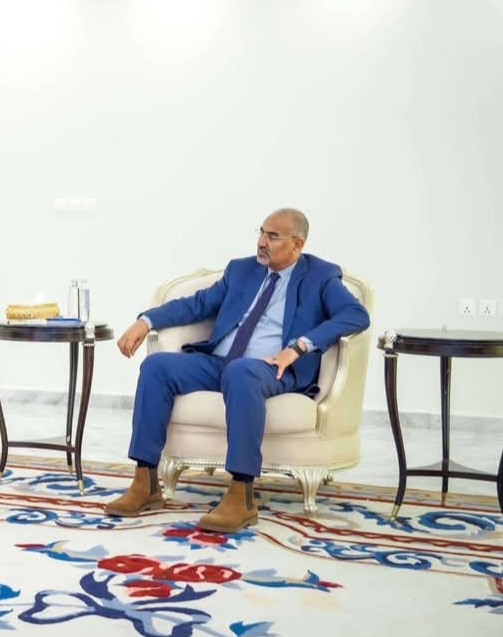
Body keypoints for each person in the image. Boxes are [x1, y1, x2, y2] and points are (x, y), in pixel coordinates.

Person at [104, 208, 370, 532]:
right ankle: (145, 482)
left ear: (297, 244)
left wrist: (299, 347)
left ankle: (241, 495)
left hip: (271, 368)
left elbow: (355, 315)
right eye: (261, 232)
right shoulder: (241, 270)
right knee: (156, 366)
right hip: (220, 362)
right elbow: (196, 304)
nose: (262, 242)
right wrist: (146, 321)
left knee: (241, 372)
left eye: (272, 236)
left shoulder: (320, 276)